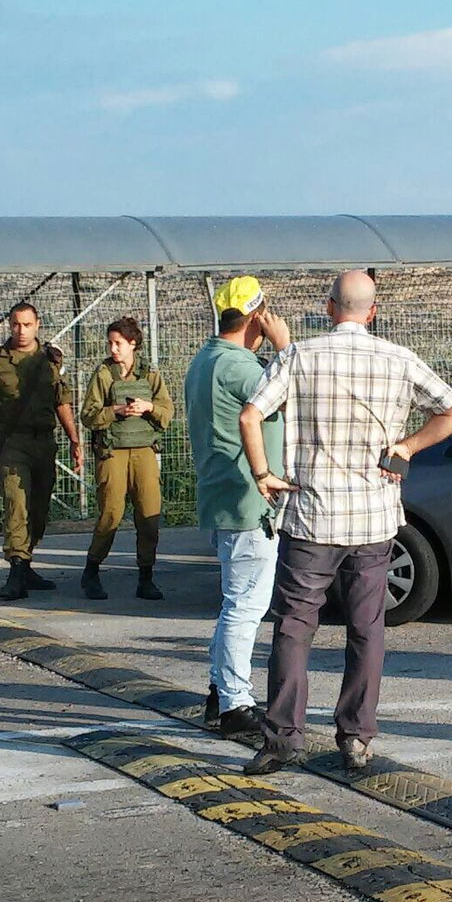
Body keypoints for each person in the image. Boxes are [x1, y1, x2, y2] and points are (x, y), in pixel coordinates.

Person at [239, 269, 452, 775]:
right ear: (373, 310)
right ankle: (356, 736)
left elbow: (250, 415)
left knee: (294, 627)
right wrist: (407, 446)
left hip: (311, 516)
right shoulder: (398, 359)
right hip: (374, 517)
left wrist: (264, 474)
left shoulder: (300, 355)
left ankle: (282, 739)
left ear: (328, 308)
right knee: (368, 628)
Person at [185, 276, 292, 736]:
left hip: (225, 494)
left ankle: (219, 691)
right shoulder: (237, 367)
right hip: (249, 498)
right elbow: (292, 390)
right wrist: (286, 348)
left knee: (236, 602)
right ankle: (234, 703)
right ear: (255, 318)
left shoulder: (207, 359)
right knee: (246, 606)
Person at [0, 301, 82, 601]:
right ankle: (16, 568)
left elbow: (62, 402)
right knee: (15, 504)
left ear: (37, 324)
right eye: (16, 324)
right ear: (9, 325)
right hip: (13, 443)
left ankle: (27, 561)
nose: (21, 330)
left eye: (27, 324)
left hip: (44, 442)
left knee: (39, 508)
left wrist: (74, 440)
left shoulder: (50, 360)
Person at [79, 317, 175, 601]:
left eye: (118, 343)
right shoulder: (104, 375)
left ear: (133, 344)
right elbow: (88, 415)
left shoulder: (150, 375)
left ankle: (146, 575)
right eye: (110, 343)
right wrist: (116, 411)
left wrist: (148, 407)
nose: (113, 349)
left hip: (144, 450)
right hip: (112, 451)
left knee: (148, 515)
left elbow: (167, 413)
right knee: (111, 513)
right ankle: (92, 570)